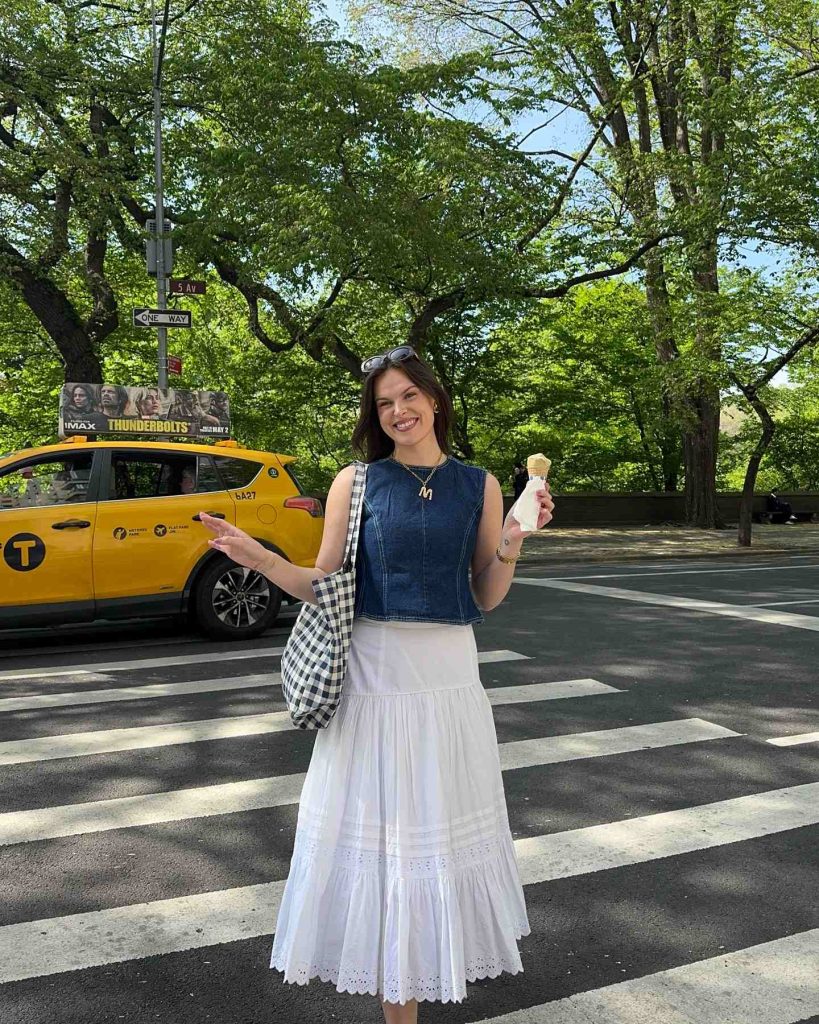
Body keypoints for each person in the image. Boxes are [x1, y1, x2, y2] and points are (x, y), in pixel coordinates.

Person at [199, 345, 554, 1022]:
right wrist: (254, 555)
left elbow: (483, 595)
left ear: (435, 400)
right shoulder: (355, 482)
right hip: (373, 677)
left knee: (434, 844)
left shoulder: (477, 484)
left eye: (408, 397)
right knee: (386, 847)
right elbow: (321, 584)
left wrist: (513, 539)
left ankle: (413, 991)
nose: (398, 412)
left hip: (450, 681)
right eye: (385, 403)